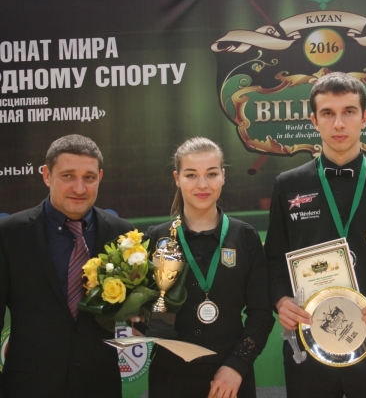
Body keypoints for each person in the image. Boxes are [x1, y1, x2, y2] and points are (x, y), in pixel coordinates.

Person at [265, 72, 366, 397]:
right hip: (309, 343)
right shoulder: (288, 185)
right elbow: (271, 265)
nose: (339, 123)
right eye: (328, 113)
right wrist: (281, 300)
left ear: (364, 118)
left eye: (349, 112)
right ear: (314, 121)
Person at [0, 134, 134, 397]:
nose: (79, 188)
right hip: (28, 387)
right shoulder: (9, 234)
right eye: (68, 176)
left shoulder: (122, 234)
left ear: (100, 177)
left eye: (89, 177)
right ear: (47, 175)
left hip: (100, 385)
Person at [143, 137, 274, 398]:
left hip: (230, 382)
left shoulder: (245, 236)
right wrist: (140, 318)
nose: (202, 184)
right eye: (191, 175)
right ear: (177, 178)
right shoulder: (156, 239)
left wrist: (237, 365)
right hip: (170, 380)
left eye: (211, 174)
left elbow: (261, 313)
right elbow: (144, 312)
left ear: (223, 176)